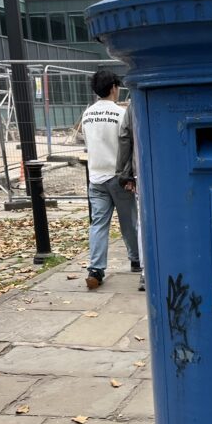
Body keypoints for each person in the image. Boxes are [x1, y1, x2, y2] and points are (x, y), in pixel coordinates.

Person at [81, 69, 140, 290]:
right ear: (114, 88)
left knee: (98, 224)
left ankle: (95, 269)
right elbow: (126, 143)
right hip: (118, 176)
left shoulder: (87, 114)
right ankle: (136, 259)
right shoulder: (120, 113)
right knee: (129, 222)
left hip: (95, 176)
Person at [117, 105, 144, 291]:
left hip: (143, 168)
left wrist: (123, 172)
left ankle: (145, 272)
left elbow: (125, 137)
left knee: (144, 220)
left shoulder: (134, 103)